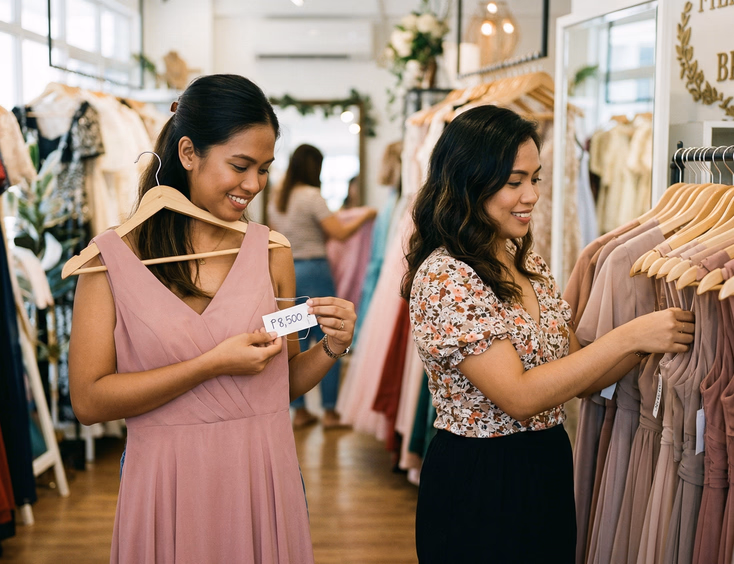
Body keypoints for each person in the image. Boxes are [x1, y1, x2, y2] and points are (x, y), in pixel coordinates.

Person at [68, 74, 357, 564]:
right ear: (188, 153)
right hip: (165, 480)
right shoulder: (110, 261)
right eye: (240, 165)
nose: (254, 185)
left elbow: (277, 384)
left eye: (264, 169)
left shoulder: (271, 251)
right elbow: (90, 401)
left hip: (262, 471)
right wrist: (210, 364)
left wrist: (332, 346)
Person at [401, 105, 695, 563]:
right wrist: (630, 337)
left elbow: (577, 371)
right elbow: (518, 396)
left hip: (547, 462)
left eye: (535, 179)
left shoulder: (523, 261)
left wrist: (650, 340)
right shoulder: (446, 276)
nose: (531, 195)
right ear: (469, 180)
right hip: (480, 477)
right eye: (514, 181)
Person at [268, 144, 376, 429]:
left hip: (285, 271)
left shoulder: (277, 196)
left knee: (293, 341)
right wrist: (366, 215)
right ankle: (329, 412)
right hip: (315, 270)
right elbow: (338, 233)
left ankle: (299, 411)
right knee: (330, 336)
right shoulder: (311, 195)